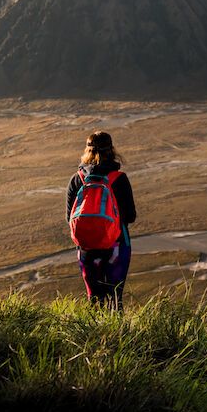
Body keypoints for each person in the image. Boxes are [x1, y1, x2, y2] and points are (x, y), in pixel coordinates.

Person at [66, 130, 136, 310]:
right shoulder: (119, 179)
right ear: (111, 150)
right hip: (116, 246)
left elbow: (70, 218)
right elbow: (130, 216)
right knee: (115, 299)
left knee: (94, 300)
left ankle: (92, 335)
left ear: (87, 151)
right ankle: (116, 336)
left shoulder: (77, 179)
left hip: (86, 249)